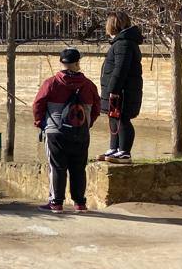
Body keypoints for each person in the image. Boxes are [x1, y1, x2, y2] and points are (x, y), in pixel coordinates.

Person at [33, 48, 101, 212]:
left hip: (56, 132)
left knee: (57, 167)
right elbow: (97, 108)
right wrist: (86, 125)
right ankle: (80, 203)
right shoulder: (89, 85)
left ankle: (56, 202)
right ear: (78, 63)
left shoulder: (51, 83)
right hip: (81, 133)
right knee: (78, 167)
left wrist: (41, 124)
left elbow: (37, 105)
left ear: (61, 63)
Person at [97, 11, 143, 164]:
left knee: (123, 119)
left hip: (123, 91)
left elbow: (120, 69)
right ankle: (114, 148)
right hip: (118, 90)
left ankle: (124, 152)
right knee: (113, 118)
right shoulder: (121, 43)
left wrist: (113, 90)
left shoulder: (124, 44)